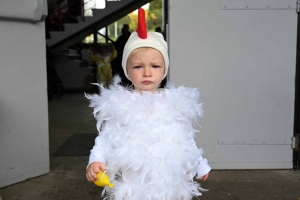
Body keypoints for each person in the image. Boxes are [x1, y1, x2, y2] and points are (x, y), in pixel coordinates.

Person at [86, 8, 211, 200]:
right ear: (127, 70)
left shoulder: (174, 103)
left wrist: (199, 164)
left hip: (169, 182)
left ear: (164, 70)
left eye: (155, 66)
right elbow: (105, 138)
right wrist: (96, 160)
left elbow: (185, 138)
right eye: (138, 66)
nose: (147, 73)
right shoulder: (120, 105)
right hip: (135, 183)